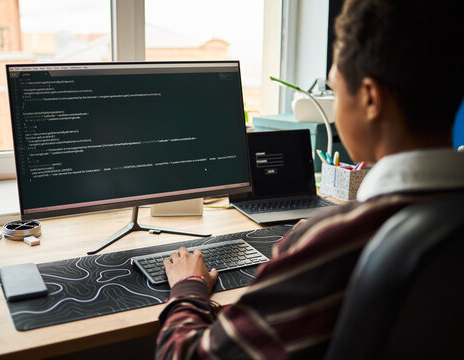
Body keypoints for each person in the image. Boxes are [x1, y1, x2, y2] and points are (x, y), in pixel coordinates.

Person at [156, 0, 464, 358]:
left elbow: (186, 354)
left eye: (333, 89)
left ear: (369, 98)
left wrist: (188, 288)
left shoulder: (337, 241)